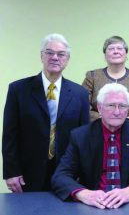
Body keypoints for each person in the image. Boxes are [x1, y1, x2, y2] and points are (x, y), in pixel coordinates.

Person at [2, 33, 90, 192]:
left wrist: (83, 174)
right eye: (49, 52)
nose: (55, 57)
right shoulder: (18, 89)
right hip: (27, 173)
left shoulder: (80, 94)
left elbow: (84, 138)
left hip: (68, 172)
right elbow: (9, 134)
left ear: (67, 60)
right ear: (41, 56)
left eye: (61, 54)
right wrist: (11, 172)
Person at [52, 83, 129, 209]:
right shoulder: (80, 136)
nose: (117, 112)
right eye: (110, 105)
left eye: (122, 106)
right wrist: (84, 194)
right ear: (99, 108)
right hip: (93, 205)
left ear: (128, 109)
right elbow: (60, 176)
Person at [82, 36, 129, 123]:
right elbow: (83, 105)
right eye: (111, 49)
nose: (116, 51)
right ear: (105, 55)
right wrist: (105, 120)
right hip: (99, 129)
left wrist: (127, 121)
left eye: (120, 48)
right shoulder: (92, 76)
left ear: (126, 54)